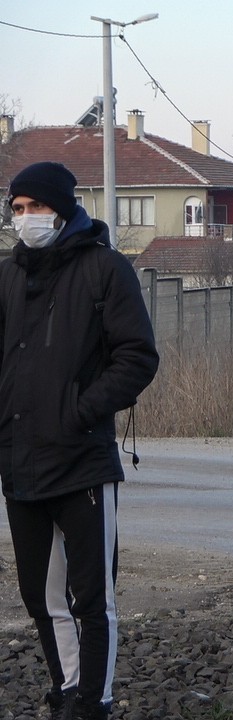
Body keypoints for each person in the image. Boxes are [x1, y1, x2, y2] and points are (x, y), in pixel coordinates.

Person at [2, 162, 159, 718]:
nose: (25, 218)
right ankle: (67, 691)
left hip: (83, 461)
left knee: (92, 599)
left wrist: (78, 412)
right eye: (16, 209)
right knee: (40, 598)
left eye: (35, 207)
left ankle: (96, 703)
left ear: (62, 208)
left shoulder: (105, 270)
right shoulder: (9, 276)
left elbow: (137, 357)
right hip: (21, 465)